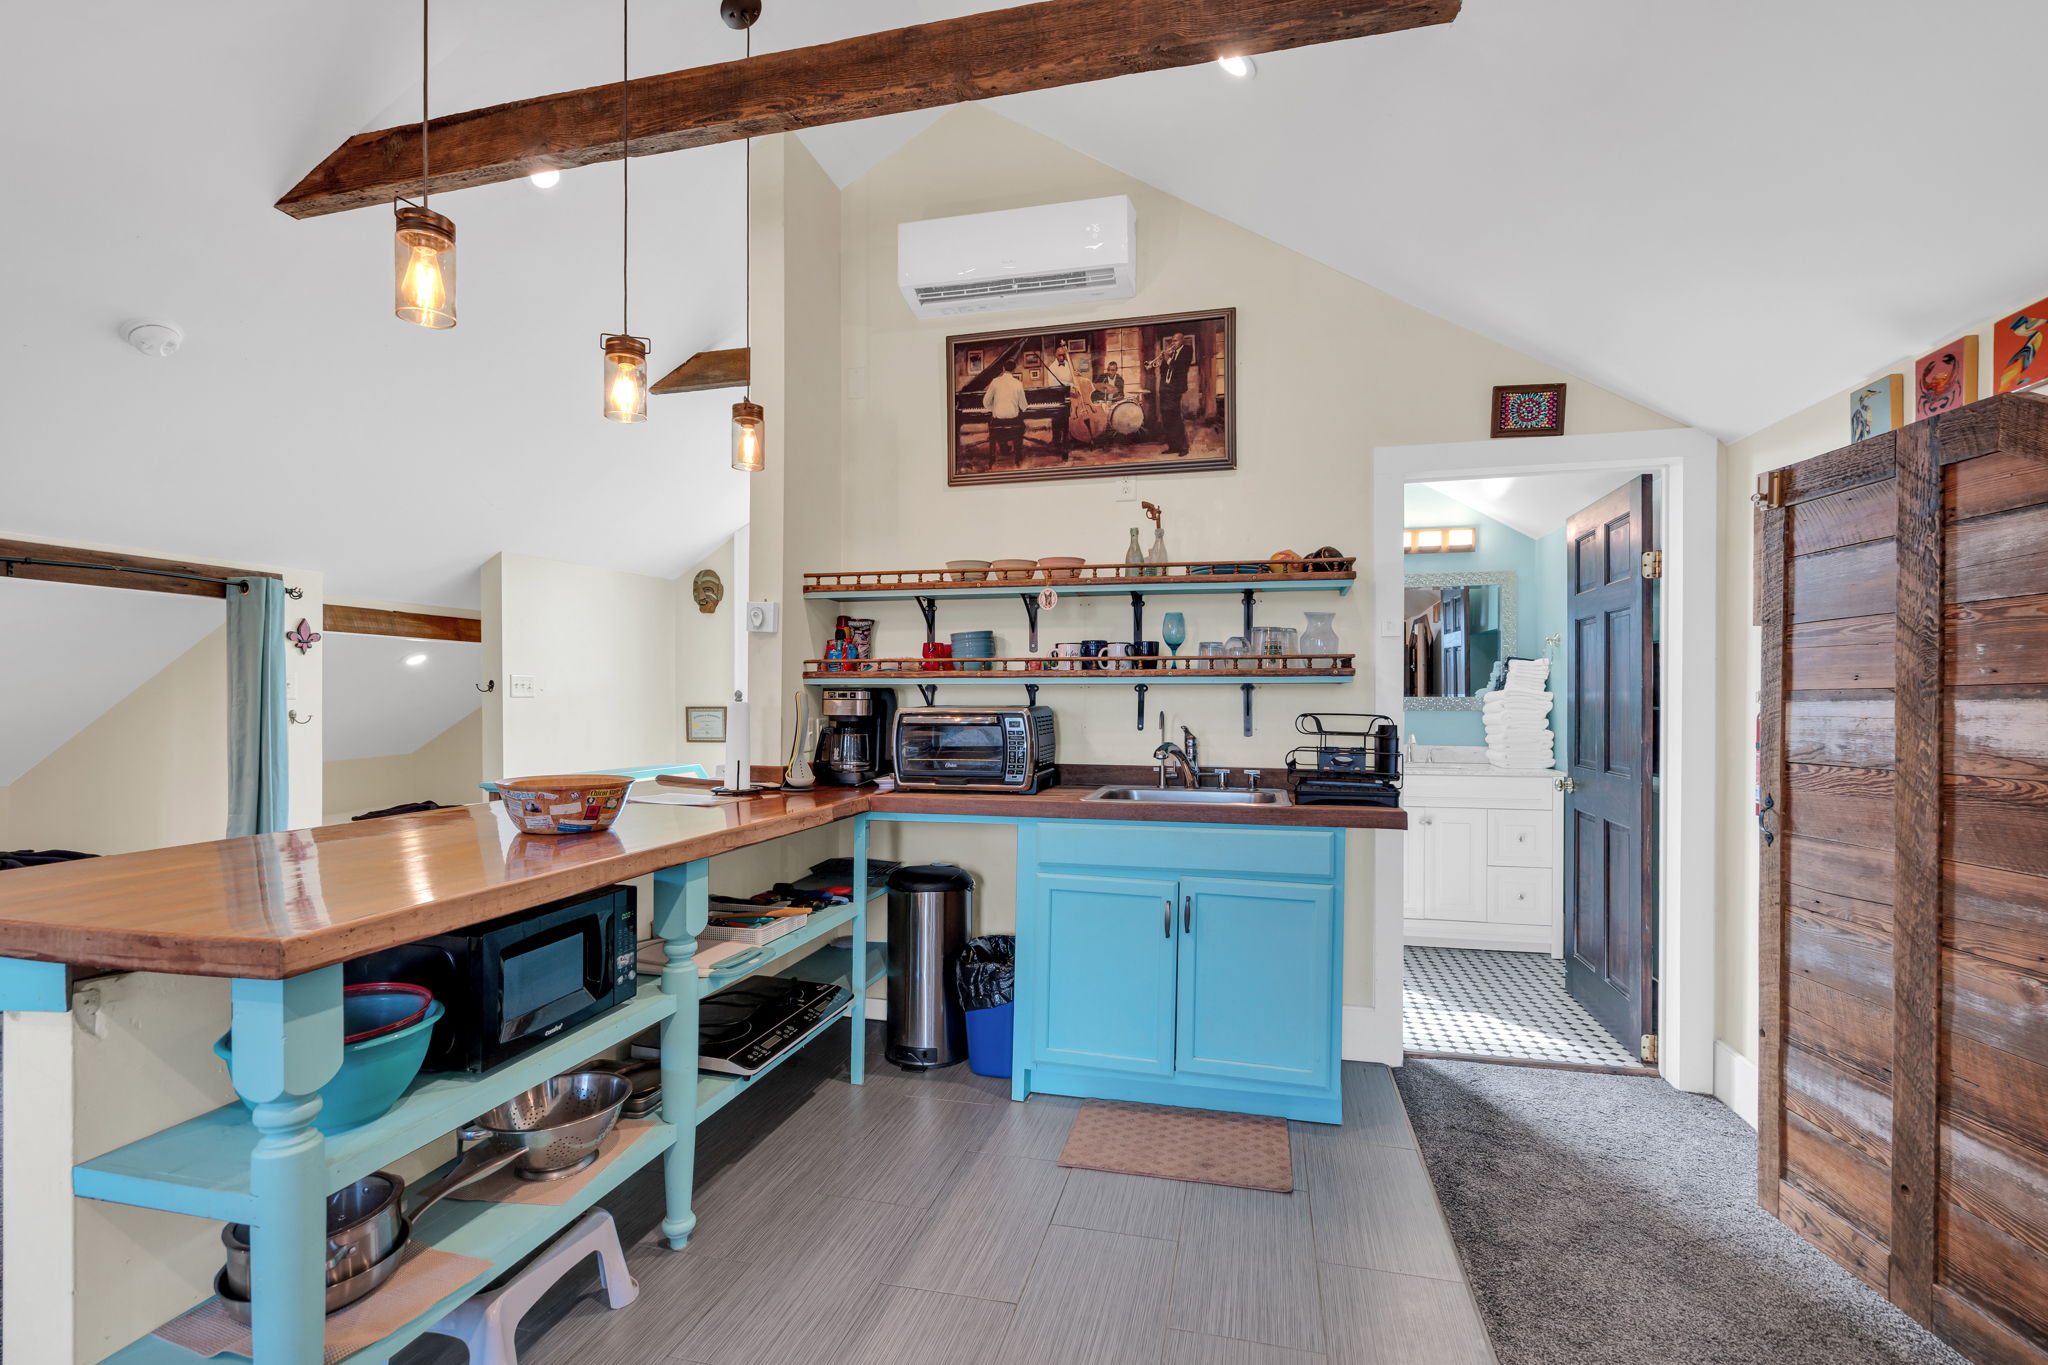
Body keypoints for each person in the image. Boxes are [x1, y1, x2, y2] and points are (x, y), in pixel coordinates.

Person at [1152, 332, 1193, 455]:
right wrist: (1162, 360)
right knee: (1166, 418)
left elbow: (1180, 368)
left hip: (1176, 389)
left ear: (1182, 341)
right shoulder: (1171, 353)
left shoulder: (1187, 350)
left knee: (1175, 418)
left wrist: (1167, 358)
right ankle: (1173, 446)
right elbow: (1163, 371)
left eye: (1176, 340)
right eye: (1172, 340)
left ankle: (1183, 447)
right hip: (1165, 388)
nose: (1173, 343)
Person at [982, 360, 1029, 463]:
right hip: (1013, 420)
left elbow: (985, 402)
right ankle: (1018, 454)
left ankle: (1003, 448)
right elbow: (1024, 406)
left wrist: (994, 409)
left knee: (995, 422)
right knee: (1021, 425)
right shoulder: (1018, 384)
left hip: (998, 421)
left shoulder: (995, 382)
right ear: (1014, 370)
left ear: (1003, 369)